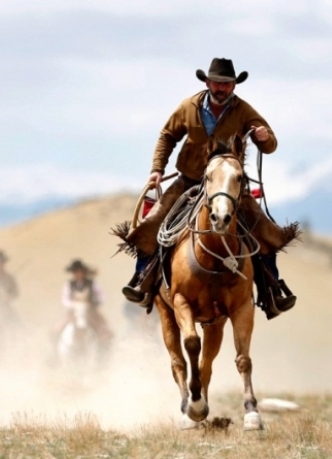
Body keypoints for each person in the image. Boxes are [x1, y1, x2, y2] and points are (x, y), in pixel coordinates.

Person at [118, 58, 297, 318]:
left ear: (234, 85)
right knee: (153, 222)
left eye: (227, 84)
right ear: (207, 82)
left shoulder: (244, 110)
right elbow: (167, 135)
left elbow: (270, 144)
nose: (222, 88)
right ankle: (142, 278)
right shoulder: (188, 107)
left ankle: (272, 290)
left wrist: (265, 138)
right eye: (217, 83)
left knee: (266, 231)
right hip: (189, 179)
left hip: (228, 185)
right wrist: (157, 169)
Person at [55, 259, 113, 344]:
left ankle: (104, 349)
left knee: (105, 331)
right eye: (76, 272)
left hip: (90, 311)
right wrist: (73, 305)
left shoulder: (92, 283)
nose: (79, 274)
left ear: (84, 272)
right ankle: (55, 352)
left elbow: (101, 296)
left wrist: (93, 304)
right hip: (73, 311)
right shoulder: (69, 284)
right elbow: (65, 299)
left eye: (80, 272)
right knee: (57, 330)